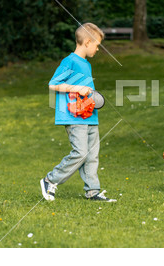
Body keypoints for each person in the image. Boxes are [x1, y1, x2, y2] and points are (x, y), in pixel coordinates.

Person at [40, 23, 116, 202]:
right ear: (87, 42)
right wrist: (77, 88)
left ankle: (92, 191)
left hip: (90, 117)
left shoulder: (86, 64)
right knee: (80, 152)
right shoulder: (70, 61)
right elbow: (53, 84)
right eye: (97, 45)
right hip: (73, 117)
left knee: (91, 156)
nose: (97, 49)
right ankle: (50, 180)